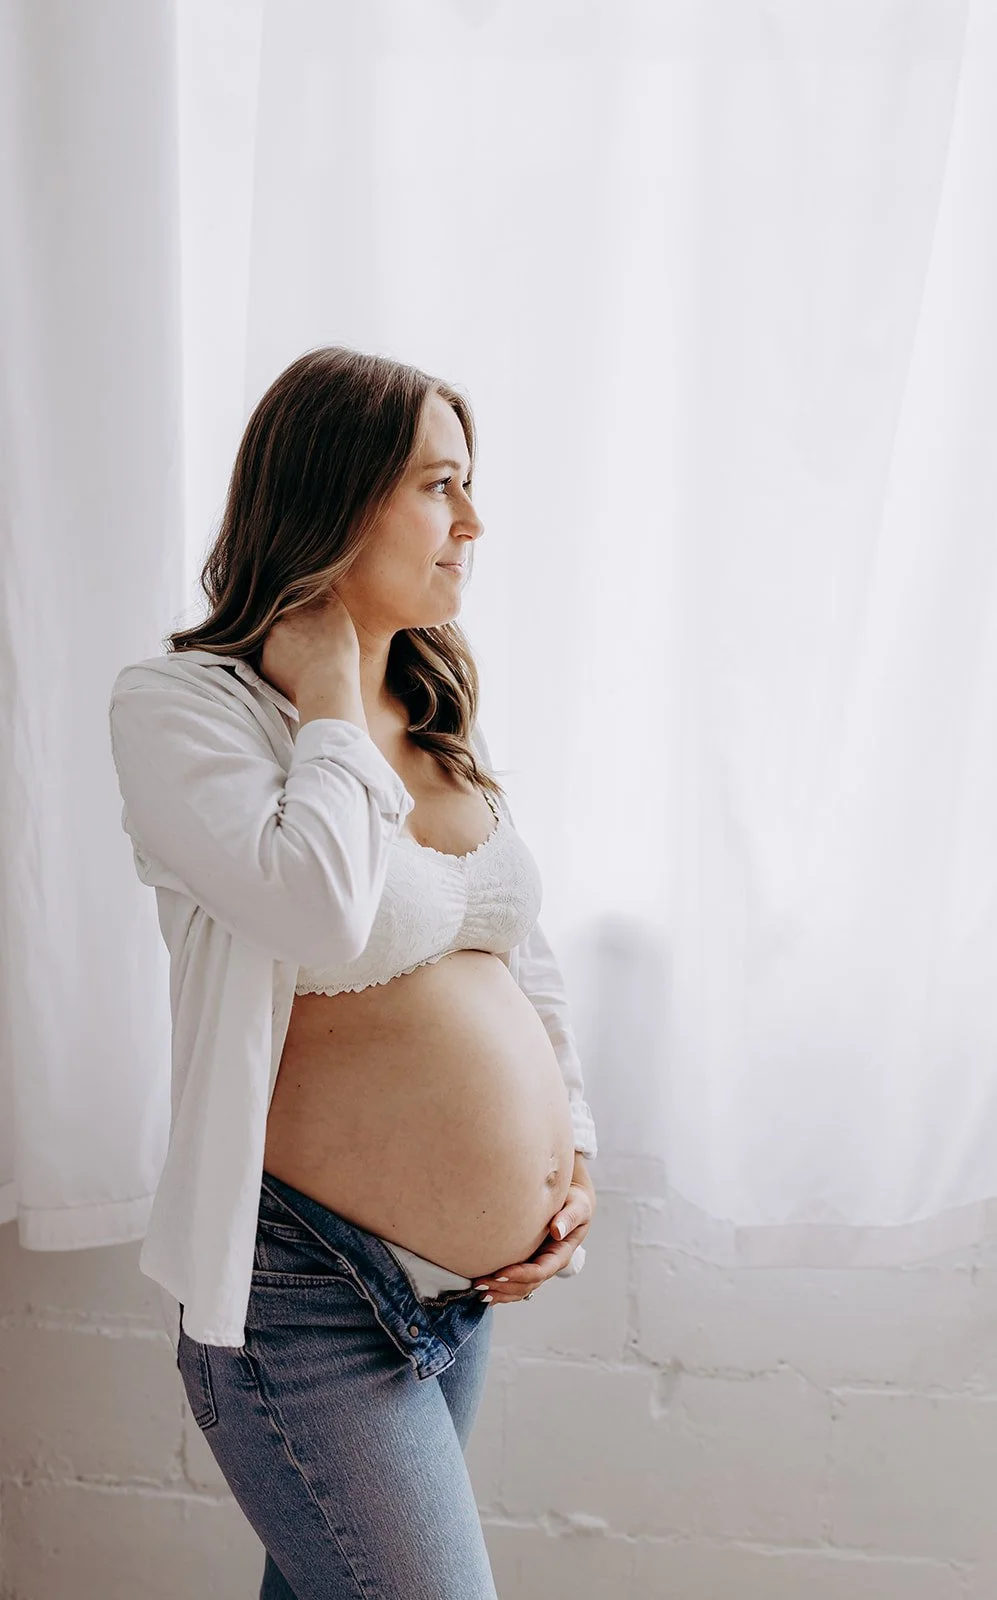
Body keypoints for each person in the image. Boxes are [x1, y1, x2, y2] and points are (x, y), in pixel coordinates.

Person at [108, 346, 599, 1599]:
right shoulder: (183, 710)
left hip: (453, 1293)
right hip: (307, 1292)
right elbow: (317, 914)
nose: (472, 521)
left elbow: (514, 949)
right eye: (441, 485)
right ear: (338, 493)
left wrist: (571, 1154)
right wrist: (327, 692)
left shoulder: (435, 707)